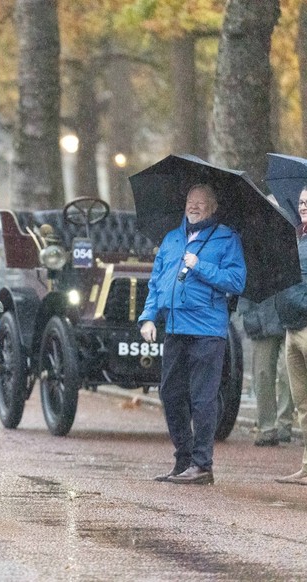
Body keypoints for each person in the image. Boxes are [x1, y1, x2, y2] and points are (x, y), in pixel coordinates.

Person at [139, 183, 246, 485]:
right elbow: (157, 282)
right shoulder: (172, 239)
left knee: (202, 398)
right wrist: (148, 317)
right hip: (175, 326)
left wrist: (201, 267)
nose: (194, 206)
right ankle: (183, 459)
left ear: (213, 207)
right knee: (170, 394)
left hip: (208, 329)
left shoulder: (227, 238)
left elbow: (236, 281)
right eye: (190, 201)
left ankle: (203, 465)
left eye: (201, 202)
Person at [275, 186, 307, 486]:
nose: (303, 206)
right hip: (291, 326)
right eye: (300, 202)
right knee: (302, 402)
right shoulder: (297, 236)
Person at [239, 295, 294, 446]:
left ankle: (284, 425)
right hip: (261, 320)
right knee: (262, 374)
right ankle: (267, 428)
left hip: (293, 317)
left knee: (289, 372)